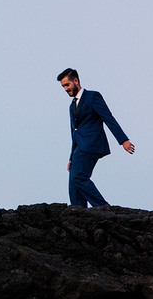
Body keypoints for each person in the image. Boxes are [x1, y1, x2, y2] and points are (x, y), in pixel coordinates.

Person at [58, 68, 135, 207]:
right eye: (63, 86)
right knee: (73, 185)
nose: (65, 89)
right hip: (79, 148)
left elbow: (108, 117)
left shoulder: (92, 97)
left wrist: (123, 140)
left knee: (78, 177)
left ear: (76, 80)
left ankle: (103, 207)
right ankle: (79, 213)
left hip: (91, 144)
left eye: (67, 85)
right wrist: (71, 157)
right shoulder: (72, 106)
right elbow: (74, 132)